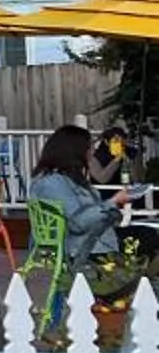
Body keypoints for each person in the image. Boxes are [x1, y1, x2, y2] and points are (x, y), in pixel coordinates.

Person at [30, 124, 122, 321]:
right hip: (80, 246)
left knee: (148, 236)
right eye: (88, 148)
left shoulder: (72, 180)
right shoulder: (52, 183)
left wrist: (113, 209)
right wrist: (113, 202)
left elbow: (95, 211)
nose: (91, 153)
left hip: (98, 237)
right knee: (148, 242)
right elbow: (78, 222)